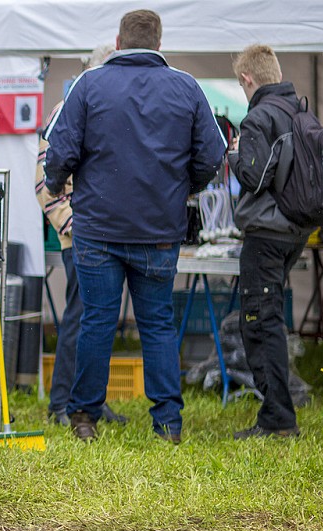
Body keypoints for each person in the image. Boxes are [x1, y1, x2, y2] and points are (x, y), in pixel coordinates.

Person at [44, 9, 225, 443]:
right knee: (158, 324)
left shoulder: (88, 85)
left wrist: (55, 184)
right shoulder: (186, 86)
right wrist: (183, 188)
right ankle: (168, 423)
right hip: (159, 228)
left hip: (97, 229)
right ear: (159, 44)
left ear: (118, 42)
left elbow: (59, 151)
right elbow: (213, 154)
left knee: (97, 322)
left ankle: (84, 417)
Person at [36, 44, 127, 427]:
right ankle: (61, 402)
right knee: (80, 318)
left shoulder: (107, 110)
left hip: (107, 234)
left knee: (98, 321)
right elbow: (44, 183)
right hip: (83, 236)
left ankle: (89, 401)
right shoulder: (67, 110)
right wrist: (74, 227)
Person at [227, 44, 313, 439]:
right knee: (270, 318)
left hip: (266, 233)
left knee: (261, 324)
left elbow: (254, 177)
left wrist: (234, 155)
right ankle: (278, 410)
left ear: (247, 78)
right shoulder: (299, 110)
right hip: (294, 230)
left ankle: (278, 417)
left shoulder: (259, 117)